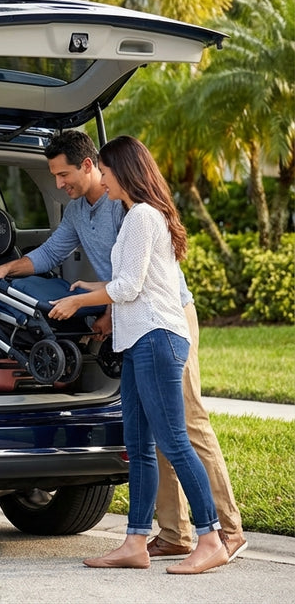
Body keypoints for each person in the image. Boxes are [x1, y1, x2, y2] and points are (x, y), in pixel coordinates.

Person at [0, 130, 247, 565]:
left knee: (185, 426)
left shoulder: (130, 211)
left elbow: (134, 282)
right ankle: (172, 533)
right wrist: (8, 269)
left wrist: (90, 301)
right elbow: (52, 253)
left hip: (163, 318)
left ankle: (226, 532)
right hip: (129, 318)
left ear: (93, 167)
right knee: (149, 437)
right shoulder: (79, 211)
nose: (59, 183)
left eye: (63, 173)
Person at [46, 135, 226, 574]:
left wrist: (78, 302)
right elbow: (129, 279)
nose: (102, 182)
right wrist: (93, 290)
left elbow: (127, 287)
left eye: (105, 173)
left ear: (123, 172)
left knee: (173, 442)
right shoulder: (134, 217)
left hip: (158, 337)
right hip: (135, 340)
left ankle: (211, 537)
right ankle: (135, 542)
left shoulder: (143, 216)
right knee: (139, 445)